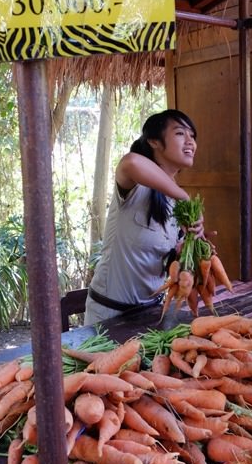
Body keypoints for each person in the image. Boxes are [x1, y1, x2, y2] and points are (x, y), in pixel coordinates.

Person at [84, 108, 200, 325]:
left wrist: (185, 253)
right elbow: (131, 163)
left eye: (192, 136)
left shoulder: (175, 202)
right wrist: (184, 197)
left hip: (150, 314)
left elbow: (164, 264)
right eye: (180, 133)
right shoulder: (135, 187)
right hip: (108, 316)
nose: (190, 142)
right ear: (154, 141)